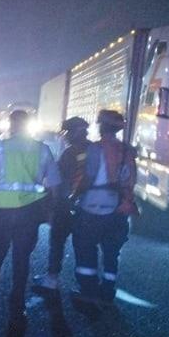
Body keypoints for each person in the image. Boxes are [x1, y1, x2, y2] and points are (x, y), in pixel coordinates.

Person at [0, 110, 61, 322]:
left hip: (2, 211)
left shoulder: (0, 147)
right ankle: (17, 304)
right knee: (21, 259)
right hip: (29, 211)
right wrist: (52, 211)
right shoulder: (43, 150)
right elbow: (54, 186)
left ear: (12, 124)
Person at [71, 109, 137, 305]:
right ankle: (108, 292)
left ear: (103, 126)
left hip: (93, 205)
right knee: (111, 251)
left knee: (86, 247)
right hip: (118, 207)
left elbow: (89, 177)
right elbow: (131, 180)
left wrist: (74, 195)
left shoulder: (96, 149)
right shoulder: (126, 150)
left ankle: (88, 291)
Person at [33, 116, 91, 293]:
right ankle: (86, 287)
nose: (65, 136)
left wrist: (51, 204)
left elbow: (57, 181)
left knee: (57, 242)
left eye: (67, 132)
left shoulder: (69, 153)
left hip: (66, 205)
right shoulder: (95, 150)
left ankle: (52, 279)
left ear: (74, 132)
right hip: (88, 206)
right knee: (84, 247)